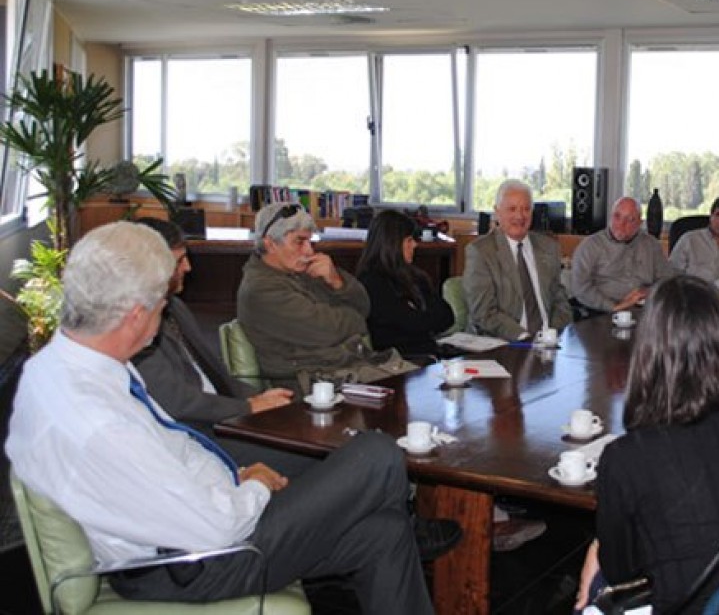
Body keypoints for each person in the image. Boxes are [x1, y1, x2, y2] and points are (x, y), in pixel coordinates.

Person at [5, 221, 436, 612]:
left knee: (384, 532)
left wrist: (231, 473)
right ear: (136, 315)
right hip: (195, 562)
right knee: (376, 453)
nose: (165, 311)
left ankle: (395, 523)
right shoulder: (100, 423)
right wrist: (253, 487)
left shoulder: (70, 365)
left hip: (191, 517)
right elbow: (214, 528)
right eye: (159, 304)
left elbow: (172, 446)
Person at [575, 275, 719, 614]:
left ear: (648, 352)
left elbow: (622, 572)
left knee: (593, 588)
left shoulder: (627, 457)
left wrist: (600, 545)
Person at [130, 217, 312, 475]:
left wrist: (258, 398)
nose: (189, 267)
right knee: (314, 455)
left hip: (226, 416)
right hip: (199, 435)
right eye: (180, 260)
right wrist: (248, 407)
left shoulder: (175, 307)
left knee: (308, 430)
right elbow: (177, 402)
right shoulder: (135, 326)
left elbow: (216, 374)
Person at [237, 201, 371, 384]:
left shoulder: (304, 269)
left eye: (310, 241)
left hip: (347, 370)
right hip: (311, 386)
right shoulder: (260, 289)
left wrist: (337, 281)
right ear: (270, 244)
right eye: (299, 241)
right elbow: (328, 331)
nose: (309, 251)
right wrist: (355, 318)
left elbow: (364, 307)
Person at [463, 178, 573, 340]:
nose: (520, 216)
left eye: (526, 209)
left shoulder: (549, 247)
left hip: (549, 342)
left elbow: (560, 300)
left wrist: (552, 333)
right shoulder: (481, 252)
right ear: (497, 212)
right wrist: (525, 337)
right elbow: (484, 312)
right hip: (503, 343)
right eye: (512, 209)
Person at [356, 209, 455, 358]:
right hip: (400, 361)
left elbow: (447, 316)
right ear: (392, 244)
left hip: (431, 354)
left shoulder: (416, 276)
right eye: (409, 240)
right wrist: (424, 316)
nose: (415, 245)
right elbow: (412, 324)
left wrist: (419, 315)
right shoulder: (372, 282)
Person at [570, 196, 673, 313]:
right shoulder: (590, 246)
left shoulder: (651, 245)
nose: (621, 224)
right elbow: (580, 287)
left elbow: (667, 280)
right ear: (610, 216)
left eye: (630, 219)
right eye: (617, 216)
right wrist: (614, 307)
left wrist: (647, 291)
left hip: (644, 309)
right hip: (601, 311)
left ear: (640, 223)